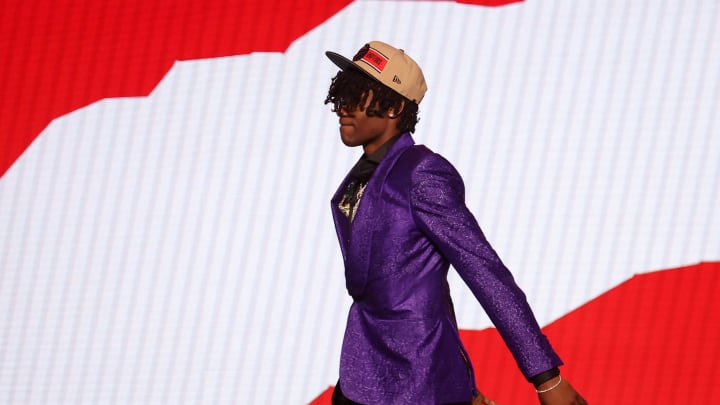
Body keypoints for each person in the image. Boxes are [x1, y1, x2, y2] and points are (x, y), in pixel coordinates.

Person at [324, 41, 587, 405]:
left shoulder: (422, 175)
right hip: (360, 375)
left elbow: (484, 271)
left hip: (422, 384)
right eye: (342, 93)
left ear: (396, 106)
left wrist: (546, 378)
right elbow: (421, 282)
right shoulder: (357, 181)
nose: (344, 107)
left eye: (358, 95)